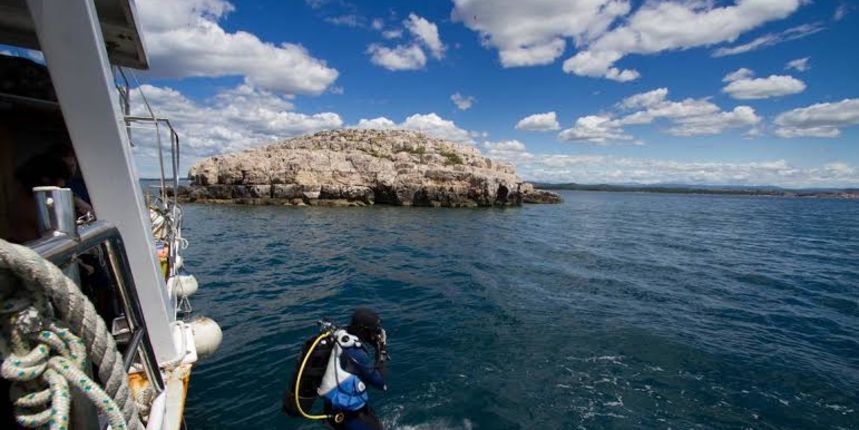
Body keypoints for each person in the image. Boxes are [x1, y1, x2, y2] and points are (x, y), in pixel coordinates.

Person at [318, 308, 388, 430]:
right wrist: (381, 349)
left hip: (334, 409)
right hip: (349, 417)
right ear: (362, 331)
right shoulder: (354, 350)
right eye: (373, 332)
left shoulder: (340, 338)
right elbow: (380, 383)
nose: (375, 336)